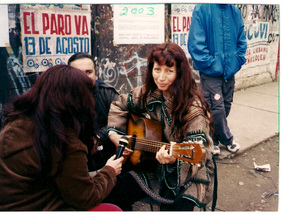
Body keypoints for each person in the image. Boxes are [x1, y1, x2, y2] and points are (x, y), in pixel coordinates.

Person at [105, 42, 216, 211]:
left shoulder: (193, 109)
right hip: (156, 167)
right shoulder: (149, 93)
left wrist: (174, 157)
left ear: (179, 73)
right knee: (115, 192)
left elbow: (198, 151)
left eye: (169, 71)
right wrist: (115, 135)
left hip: (190, 175)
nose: (161, 78)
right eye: (157, 69)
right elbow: (119, 105)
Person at [0, 65, 124, 211]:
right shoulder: (63, 140)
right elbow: (85, 197)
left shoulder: (17, 120)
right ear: (78, 100)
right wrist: (110, 171)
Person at [188, 4, 247, 155]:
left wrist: (238, 60)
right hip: (210, 71)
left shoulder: (234, 11)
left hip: (230, 70)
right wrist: (211, 64)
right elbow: (196, 43)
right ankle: (227, 139)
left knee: (226, 105)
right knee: (217, 107)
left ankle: (213, 137)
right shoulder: (202, 9)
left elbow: (241, 39)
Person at [68, 53, 119, 171]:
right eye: (79, 73)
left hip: (109, 164)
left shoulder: (107, 93)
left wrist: (100, 135)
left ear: (96, 74)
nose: (84, 77)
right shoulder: (61, 99)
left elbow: (124, 117)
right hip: (78, 167)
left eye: (88, 72)